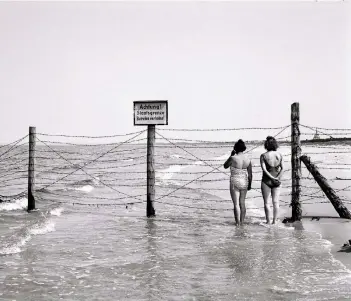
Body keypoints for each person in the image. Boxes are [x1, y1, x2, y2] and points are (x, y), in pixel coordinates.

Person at [224, 139, 252, 226]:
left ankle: (237, 223)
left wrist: (231, 155)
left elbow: (225, 166)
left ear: (235, 148)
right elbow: (250, 174)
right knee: (242, 203)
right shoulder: (248, 159)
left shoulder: (233, 158)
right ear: (244, 148)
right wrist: (250, 184)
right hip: (244, 181)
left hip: (234, 181)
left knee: (236, 204)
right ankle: (242, 222)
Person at [260, 136, 284, 224]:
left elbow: (264, 169)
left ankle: (268, 221)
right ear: (275, 144)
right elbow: (283, 168)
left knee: (266, 202)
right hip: (277, 180)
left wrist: (271, 177)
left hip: (266, 180)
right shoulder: (279, 155)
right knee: (275, 202)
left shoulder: (263, 156)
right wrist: (277, 178)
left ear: (266, 145)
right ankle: (274, 221)